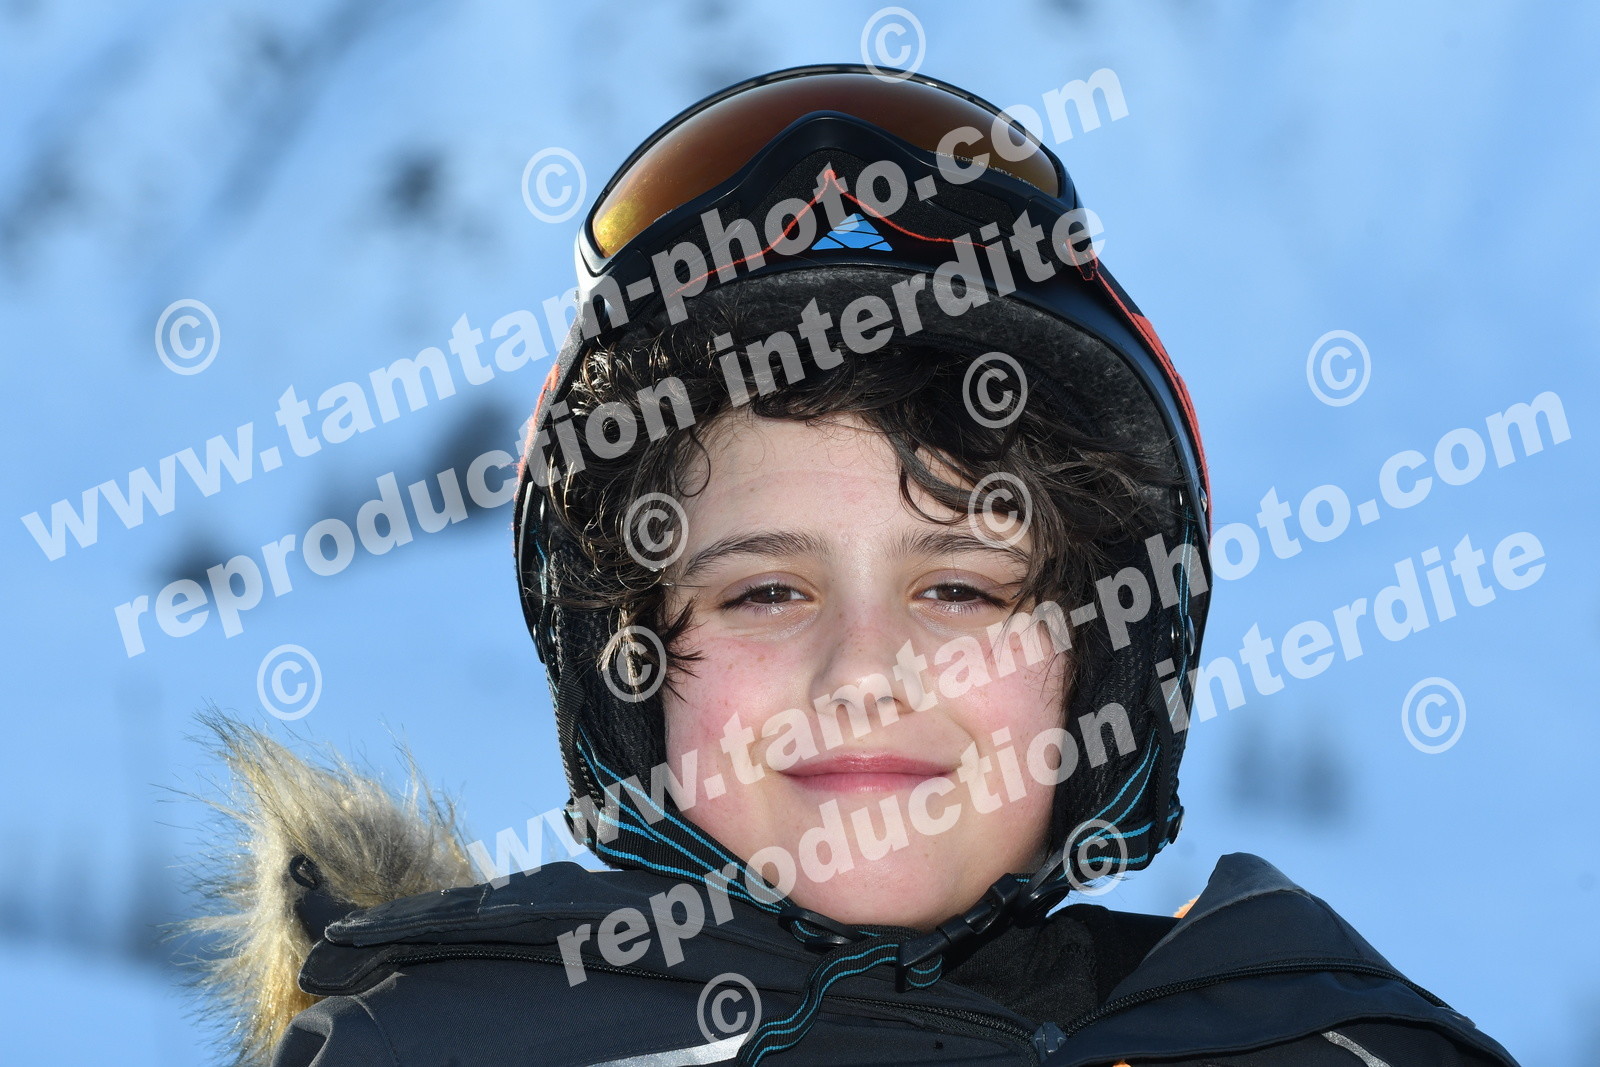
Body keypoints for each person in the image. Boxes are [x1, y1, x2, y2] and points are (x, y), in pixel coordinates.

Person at [197, 65, 1520, 1066]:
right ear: (627, 669)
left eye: (961, 589)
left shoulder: (1313, 1042)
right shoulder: (427, 1048)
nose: (865, 673)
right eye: (766, 591)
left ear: (1101, 662)